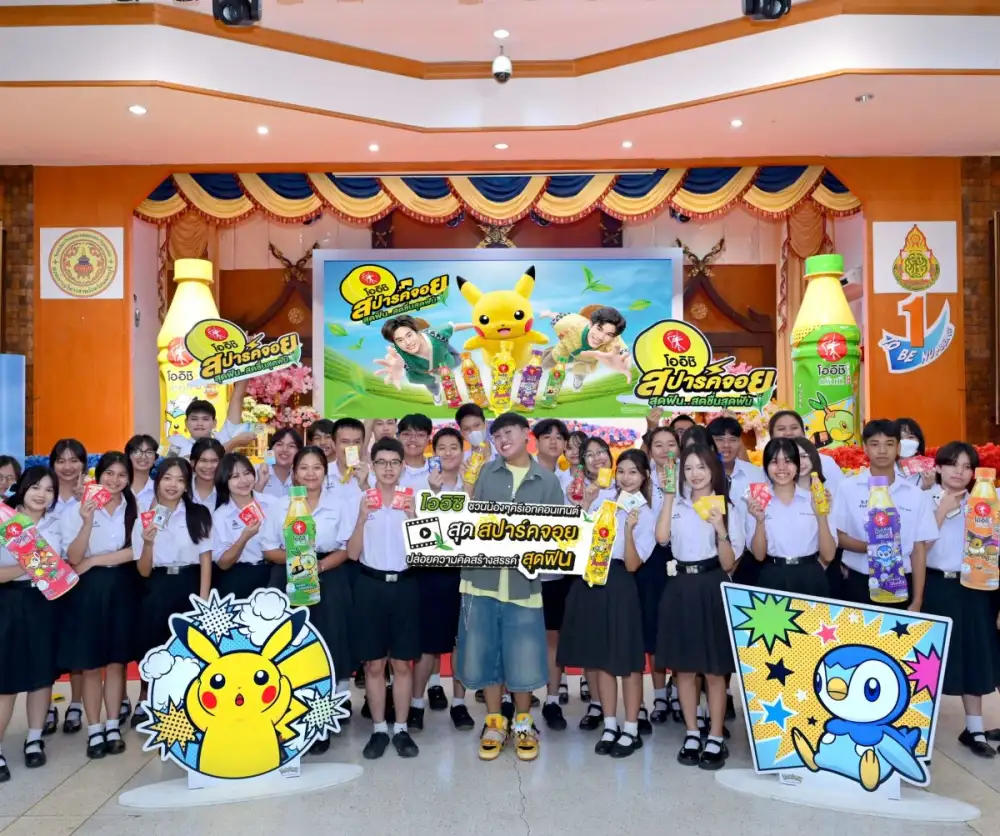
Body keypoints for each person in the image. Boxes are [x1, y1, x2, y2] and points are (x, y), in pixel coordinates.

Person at [455, 412, 562, 763]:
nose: (502, 440)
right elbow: (465, 520)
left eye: (509, 432)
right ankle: (494, 721)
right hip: (481, 580)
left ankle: (523, 722)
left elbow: (557, 535)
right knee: (485, 651)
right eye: (497, 435)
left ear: (526, 433)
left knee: (523, 652)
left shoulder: (547, 481)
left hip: (523, 583)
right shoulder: (484, 472)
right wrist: (465, 490)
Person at [558, 450, 656, 759]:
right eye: (621, 471)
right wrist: (586, 505)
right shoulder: (604, 502)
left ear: (644, 477)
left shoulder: (646, 514)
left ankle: (631, 728)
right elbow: (576, 542)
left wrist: (627, 529)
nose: (626, 478)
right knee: (601, 659)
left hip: (621, 583)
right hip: (592, 580)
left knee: (627, 661)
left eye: (633, 472)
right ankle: (610, 725)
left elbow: (633, 564)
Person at [656, 444, 745, 771]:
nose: (695, 474)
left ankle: (716, 735)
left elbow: (729, 563)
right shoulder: (676, 504)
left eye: (702, 467)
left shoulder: (727, 507)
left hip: (711, 585)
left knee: (714, 670)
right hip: (680, 587)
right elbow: (662, 539)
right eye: (689, 468)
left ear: (713, 471)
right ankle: (692, 732)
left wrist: (720, 528)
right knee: (683, 668)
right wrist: (668, 497)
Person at [262, 446, 355, 748]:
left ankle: (322, 720)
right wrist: (298, 562)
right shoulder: (280, 506)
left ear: (325, 473)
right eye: (304, 467)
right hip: (289, 578)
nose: (310, 473)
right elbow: (269, 549)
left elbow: (347, 547)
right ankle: (290, 715)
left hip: (329, 576)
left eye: (317, 467)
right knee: (292, 647)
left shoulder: (339, 504)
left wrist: (318, 566)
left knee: (329, 644)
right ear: (294, 473)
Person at [921, 442, 1000, 758]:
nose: (960, 472)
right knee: (928, 661)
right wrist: (940, 512)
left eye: (967, 467)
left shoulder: (984, 501)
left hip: (974, 586)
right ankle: (917, 730)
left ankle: (974, 728)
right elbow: (916, 549)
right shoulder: (923, 499)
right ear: (939, 467)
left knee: (973, 656)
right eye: (953, 464)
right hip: (935, 585)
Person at [59, 452, 138, 759]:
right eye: (109, 473)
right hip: (87, 590)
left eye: (122, 474)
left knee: (117, 662)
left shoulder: (133, 507)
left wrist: (95, 561)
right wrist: (87, 520)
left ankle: (113, 725)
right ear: (98, 474)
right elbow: (74, 558)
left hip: (122, 585)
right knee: (91, 663)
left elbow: (135, 550)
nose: (115, 480)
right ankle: (94, 729)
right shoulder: (76, 510)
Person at [348, 438, 421, 760]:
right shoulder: (361, 500)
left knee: (403, 663)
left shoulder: (413, 499)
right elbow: (352, 553)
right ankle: (379, 729)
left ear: (403, 466)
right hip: (370, 586)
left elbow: (425, 553)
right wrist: (362, 517)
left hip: (405, 586)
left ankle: (401, 728)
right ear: (373, 466)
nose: (388, 468)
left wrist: (414, 516)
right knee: (374, 664)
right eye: (382, 462)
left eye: (394, 462)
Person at [129, 458, 212, 731]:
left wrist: (203, 601)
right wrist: (148, 543)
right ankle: (147, 699)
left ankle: (188, 704)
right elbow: (143, 570)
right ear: (157, 481)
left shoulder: (198, 514)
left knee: (187, 649)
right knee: (152, 645)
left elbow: (206, 559)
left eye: (179, 479)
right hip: (157, 585)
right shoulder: (144, 517)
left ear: (187, 485)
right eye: (167, 478)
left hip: (189, 584)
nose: (173, 484)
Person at [828, 419, 938, 608]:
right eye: (875, 444)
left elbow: (918, 549)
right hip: (858, 582)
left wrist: (917, 600)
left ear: (898, 447)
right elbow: (838, 536)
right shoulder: (848, 488)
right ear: (865, 447)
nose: (882, 450)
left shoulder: (915, 494)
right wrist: (876, 548)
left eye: (889, 444)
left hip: (901, 582)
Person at [0, 467, 65, 782]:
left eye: (49, 489)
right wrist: (30, 564)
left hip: (45, 603)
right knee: (6, 679)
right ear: (23, 488)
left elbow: (64, 565)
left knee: (41, 675)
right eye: (36, 487)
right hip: (9, 603)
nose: (42, 494)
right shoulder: (5, 521)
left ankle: (35, 739)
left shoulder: (57, 523)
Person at [411, 428, 473, 731]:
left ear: (462, 452)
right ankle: (416, 704)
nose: (448, 453)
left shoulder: (471, 485)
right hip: (431, 573)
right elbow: (418, 531)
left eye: (454, 447)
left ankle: (459, 703)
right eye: (442, 448)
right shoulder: (421, 487)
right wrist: (434, 495)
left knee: (461, 640)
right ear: (433, 452)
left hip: (465, 573)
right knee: (429, 644)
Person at [744, 438, 835, 595]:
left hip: (811, 576)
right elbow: (759, 555)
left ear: (797, 465)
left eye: (788, 461)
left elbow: (828, 555)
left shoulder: (815, 498)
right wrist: (759, 520)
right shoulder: (758, 500)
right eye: (774, 461)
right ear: (765, 466)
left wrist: (821, 516)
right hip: (772, 576)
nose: (781, 467)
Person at [571, 436, 618, 731]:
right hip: (587, 575)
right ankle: (596, 704)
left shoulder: (624, 485)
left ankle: (633, 707)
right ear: (582, 462)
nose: (597, 458)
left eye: (601, 452)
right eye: (589, 454)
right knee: (591, 642)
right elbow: (572, 536)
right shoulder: (576, 490)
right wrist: (584, 503)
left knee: (617, 642)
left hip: (620, 574)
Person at [531, 419, 573, 727]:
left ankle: (553, 700)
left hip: (558, 573)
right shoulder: (522, 474)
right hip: (522, 572)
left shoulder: (571, 479)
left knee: (552, 638)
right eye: (547, 436)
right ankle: (511, 699)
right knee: (516, 637)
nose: (554, 441)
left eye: (560, 437)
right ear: (535, 441)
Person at [638, 426, 681, 724]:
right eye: (658, 445)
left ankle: (678, 691)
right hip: (650, 560)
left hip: (683, 557)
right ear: (650, 450)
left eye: (671, 444)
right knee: (653, 627)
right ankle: (659, 696)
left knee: (678, 627)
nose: (665, 450)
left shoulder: (690, 475)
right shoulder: (644, 480)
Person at [47, 438, 87, 735]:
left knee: (77, 642)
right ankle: (46, 705)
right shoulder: (42, 493)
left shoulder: (91, 496)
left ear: (84, 464)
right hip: (44, 579)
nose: (67, 466)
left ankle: (76, 703)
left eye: (74, 460)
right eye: (61, 460)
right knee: (46, 642)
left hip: (78, 577)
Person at [212, 453, 274, 600]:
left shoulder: (272, 503)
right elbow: (223, 563)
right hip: (239, 577)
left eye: (247, 473)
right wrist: (244, 538)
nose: (244, 480)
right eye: (235, 476)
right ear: (224, 481)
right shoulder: (221, 515)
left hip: (273, 574)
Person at [376, 315, 464, 403]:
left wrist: (473, 325)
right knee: (432, 386)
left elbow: (453, 327)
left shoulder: (437, 335)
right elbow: (391, 358)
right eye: (400, 340)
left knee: (451, 355)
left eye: (409, 335)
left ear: (417, 332)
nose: (408, 342)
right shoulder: (396, 351)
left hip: (442, 355)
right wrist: (393, 367)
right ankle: (436, 395)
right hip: (422, 374)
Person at [538, 306, 631, 390]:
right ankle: (535, 377)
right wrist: (549, 314)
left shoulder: (613, 340)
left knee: (581, 373)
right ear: (590, 324)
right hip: (565, 350)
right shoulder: (572, 323)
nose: (600, 337)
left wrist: (624, 360)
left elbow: (622, 351)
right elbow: (560, 316)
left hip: (587, 361)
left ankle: (578, 379)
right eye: (599, 329)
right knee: (546, 362)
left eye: (608, 334)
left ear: (614, 336)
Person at [164, 380, 255, 458]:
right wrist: (233, 443)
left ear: (214, 423)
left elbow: (237, 398)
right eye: (194, 419)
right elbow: (181, 463)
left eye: (205, 419)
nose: (199, 423)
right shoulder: (175, 441)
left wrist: (244, 369)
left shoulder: (222, 438)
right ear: (186, 423)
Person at [768, 409, 845, 491]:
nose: (788, 433)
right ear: (771, 436)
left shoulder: (825, 462)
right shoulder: (767, 469)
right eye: (781, 429)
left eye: (794, 427)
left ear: (803, 433)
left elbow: (842, 493)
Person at [255, 427, 302, 499]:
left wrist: (297, 485)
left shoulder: (302, 477)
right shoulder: (254, 473)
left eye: (291, 446)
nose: (284, 449)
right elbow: (245, 504)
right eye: (279, 444)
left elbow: (301, 504)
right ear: (271, 449)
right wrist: (260, 484)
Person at [897, 417, 935, 490]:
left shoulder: (929, 470)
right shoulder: (884, 470)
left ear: (919, 442)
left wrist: (926, 488)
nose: (905, 442)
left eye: (910, 437)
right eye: (900, 438)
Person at [397, 413, 433, 490]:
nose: (413, 439)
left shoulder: (436, 468)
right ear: (398, 437)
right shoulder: (388, 468)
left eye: (420, 435)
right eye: (407, 434)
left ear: (428, 439)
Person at [125, 434, 158, 510]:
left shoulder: (159, 490)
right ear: (128, 456)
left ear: (155, 458)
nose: (143, 457)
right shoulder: (117, 485)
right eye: (137, 452)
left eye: (149, 452)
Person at [189, 438, 223, 509]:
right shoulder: (182, 488)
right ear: (192, 462)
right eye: (203, 460)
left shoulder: (228, 491)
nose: (209, 466)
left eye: (214, 461)